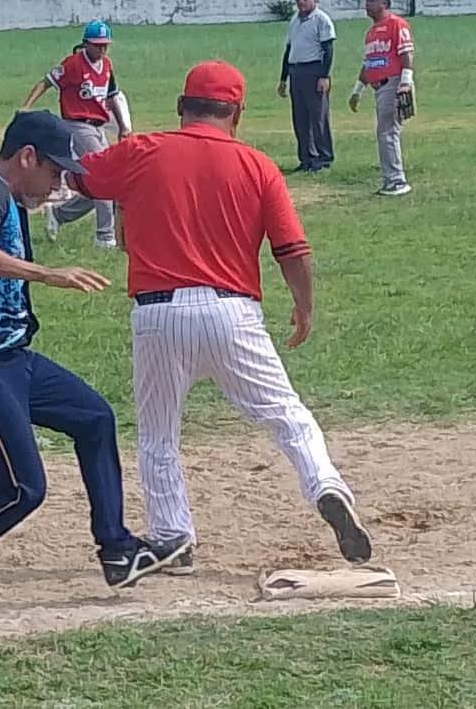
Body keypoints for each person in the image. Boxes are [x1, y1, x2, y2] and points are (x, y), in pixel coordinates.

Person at [0, 110, 189, 625]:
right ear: (26, 157)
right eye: (55, 171)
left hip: (12, 359)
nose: (60, 184)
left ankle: (116, 548)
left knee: (94, 418)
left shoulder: (9, 196)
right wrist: (45, 274)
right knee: (21, 488)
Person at [64, 61, 372, 575]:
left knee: (159, 436)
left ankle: (173, 536)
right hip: (233, 313)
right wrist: (304, 305)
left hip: (158, 314)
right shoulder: (257, 165)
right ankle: (326, 484)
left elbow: (82, 178)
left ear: (182, 107)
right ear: (236, 113)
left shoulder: (143, 150)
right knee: (286, 415)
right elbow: (292, 250)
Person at [21, 20, 131, 248]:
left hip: (98, 126)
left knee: (98, 183)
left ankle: (60, 215)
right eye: (97, 45)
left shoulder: (107, 66)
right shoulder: (73, 65)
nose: (101, 50)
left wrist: (122, 126)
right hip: (77, 124)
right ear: (86, 44)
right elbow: (46, 82)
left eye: (105, 45)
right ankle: (104, 235)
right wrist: (26, 106)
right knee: (105, 173)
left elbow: (112, 96)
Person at [348, 0, 416, 197]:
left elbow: (406, 55)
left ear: (384, 3)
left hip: (393, 83)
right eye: (367, 0)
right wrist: (358, 90)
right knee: (384, 132)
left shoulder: (396, 24)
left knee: (388, 132)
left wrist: (405, 81)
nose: (367, 4)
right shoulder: (371, 33)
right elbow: (370, 63)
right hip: (379, 86)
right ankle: (391, 179)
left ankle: (396, 181)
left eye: (373, 0)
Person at [278, 0, 337, 173]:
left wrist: (324, 76)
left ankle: (324, 156)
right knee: (300, 118)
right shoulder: (294, 20)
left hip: (314, 70)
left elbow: (328, 49)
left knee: (318, 116)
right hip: (297, 71)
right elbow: (289, 50)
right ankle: (306, 158)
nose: (301, 2)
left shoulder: (321, 20)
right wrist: (283, 78)